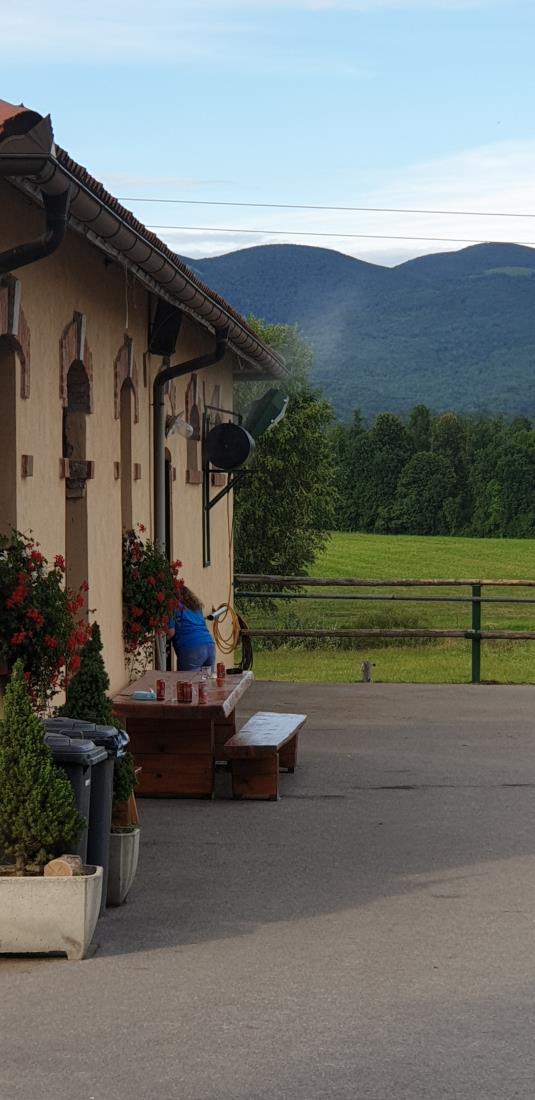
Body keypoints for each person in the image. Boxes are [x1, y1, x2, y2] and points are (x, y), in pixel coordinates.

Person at [166, 586, 216, 672]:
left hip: (192, 649)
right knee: (206, 679)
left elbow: (171, 632)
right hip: (209, 645)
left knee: (188, 680)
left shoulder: (174, 606)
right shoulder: (196, 607)